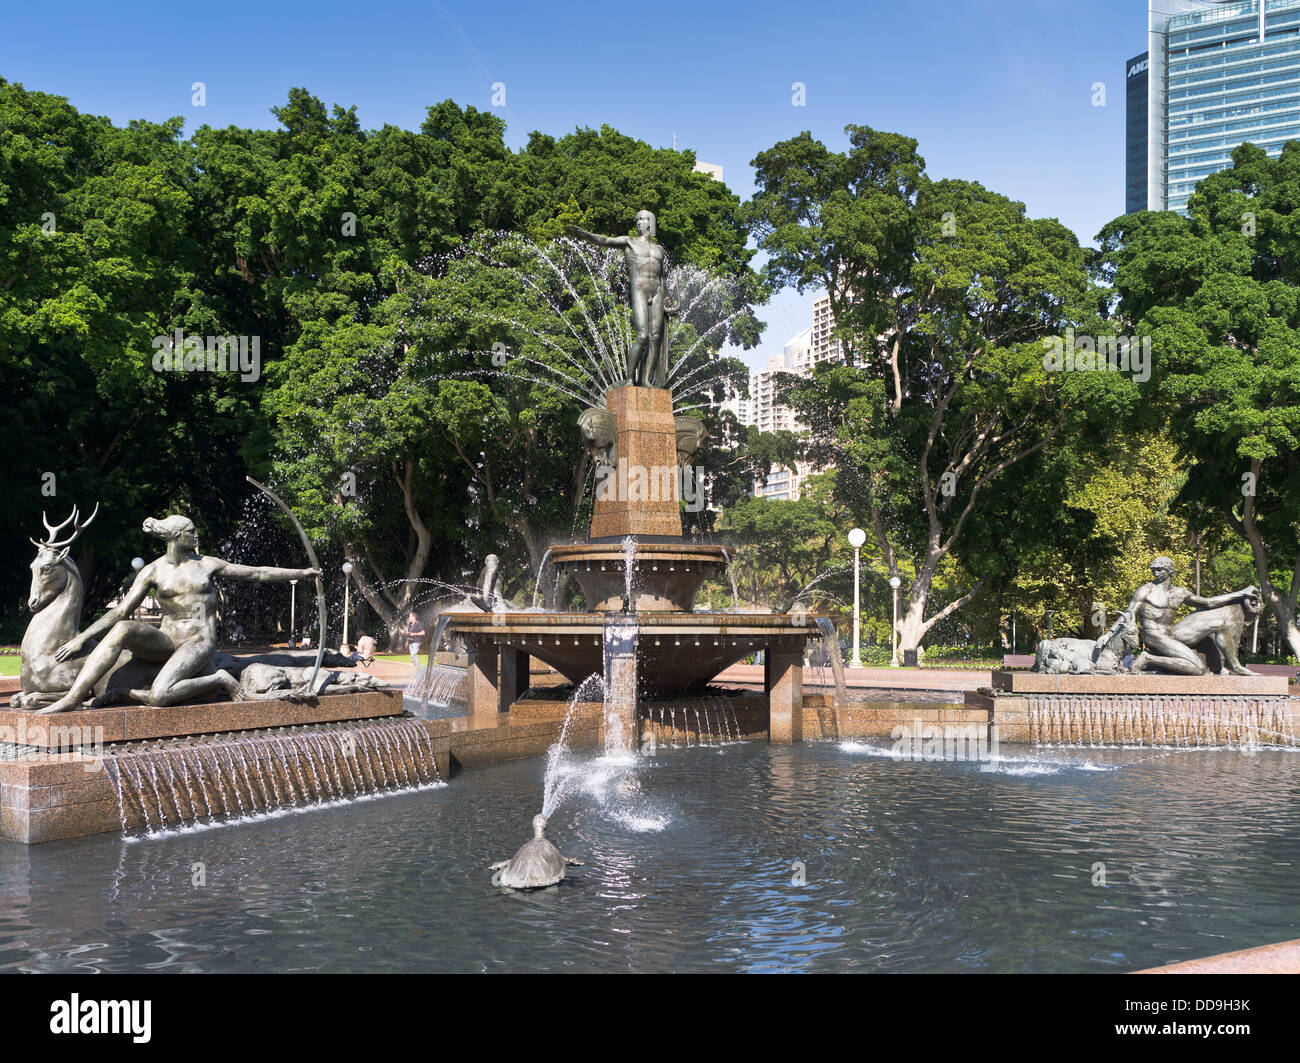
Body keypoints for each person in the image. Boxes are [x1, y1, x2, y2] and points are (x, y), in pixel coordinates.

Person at [41, 515, 318, 713]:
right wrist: (82, 638)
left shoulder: (207, 565)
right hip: (167, 639)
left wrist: (302, 573)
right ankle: (73, 697)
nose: (196, 537)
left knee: (160, 695)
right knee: (124, 627)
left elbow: (257, 572)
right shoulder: (153, 570)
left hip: (198, 641)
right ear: (176, 537)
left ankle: (220, 678)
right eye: (191, 532)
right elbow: (122, 610)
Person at [1096, 556, 1257, 676]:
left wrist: (1241, 593)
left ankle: (1235, 666)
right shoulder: (1146, 590)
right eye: (1153, 569)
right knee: (1198, 668)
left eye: (1160, 569)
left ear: (1170, 572)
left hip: (1173, 633)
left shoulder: (1180, 593)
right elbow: (1128, 614)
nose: (1155, 572)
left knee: (1219, 623)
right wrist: (1109, 634)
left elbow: (1208, 603)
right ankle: (1148, 658)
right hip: (1154, 636)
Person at [569, 210, 677, 388]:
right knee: (642, 336)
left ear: (650, 223)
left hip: (657, 292)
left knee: (655, 338)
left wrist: (667, 300)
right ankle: (628, 379)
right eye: (637, 220)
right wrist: (586, 234)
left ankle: (645, 380)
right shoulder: (629, 242)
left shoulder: (659, 250)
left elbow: (662, 276)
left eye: (642, 219)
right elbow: (604, 240)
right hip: (640, 290)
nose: (639, 223)